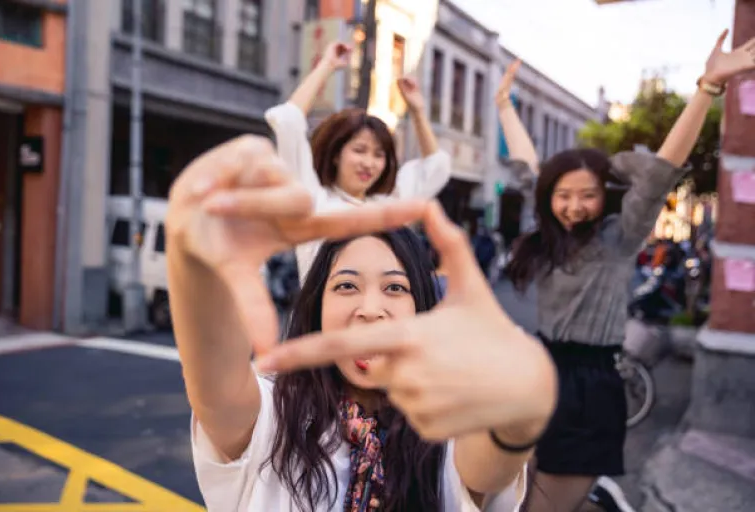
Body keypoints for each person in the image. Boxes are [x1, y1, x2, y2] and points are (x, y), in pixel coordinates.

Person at [166, 134, 557, 511]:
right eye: (347, 285)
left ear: (422, 306)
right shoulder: (272, 417)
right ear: (317, 306)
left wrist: (524, 400)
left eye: (395, 288)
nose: (370, 309)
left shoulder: (449, 422)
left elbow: (487, 465)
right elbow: (215, 378)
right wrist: (196, 265)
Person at [495, 30, 755, 512]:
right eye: (563, 195)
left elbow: (659, 172)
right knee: (514, 497)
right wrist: (504, 104)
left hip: (591, 387)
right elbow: (527, 164)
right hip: (539, 374)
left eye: (586, 195)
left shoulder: (619, 235)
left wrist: (707, 87)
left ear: (605, 197)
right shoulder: (548, 234)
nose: (573, 206)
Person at [265, 41, 451, 281]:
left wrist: (417, 112)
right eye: (360, 150)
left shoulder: (387, 205)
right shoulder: (313, 200)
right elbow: (288, 122)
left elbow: (435, 168)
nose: (369, 163)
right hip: (323, 318)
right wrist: (327, 65)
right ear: (335, 155)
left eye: (378, 154)